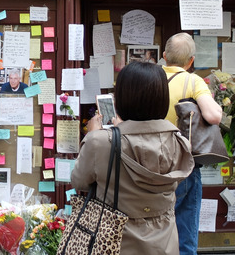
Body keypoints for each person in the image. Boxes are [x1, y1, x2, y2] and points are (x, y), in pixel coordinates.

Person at [71, 61, 194, 254]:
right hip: (164, 243)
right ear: (163, 98)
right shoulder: (180, 143)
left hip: (114, 241)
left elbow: (79, 181)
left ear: (120, 99)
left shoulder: (100, 142)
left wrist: (94, 133)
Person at [162, 32, 223, 255]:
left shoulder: (151, 77)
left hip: (150, 161)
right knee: (185, 230)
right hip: (182, 163)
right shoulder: (193, 80)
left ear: (164, 56)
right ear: (191, 61)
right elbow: (213, 116)